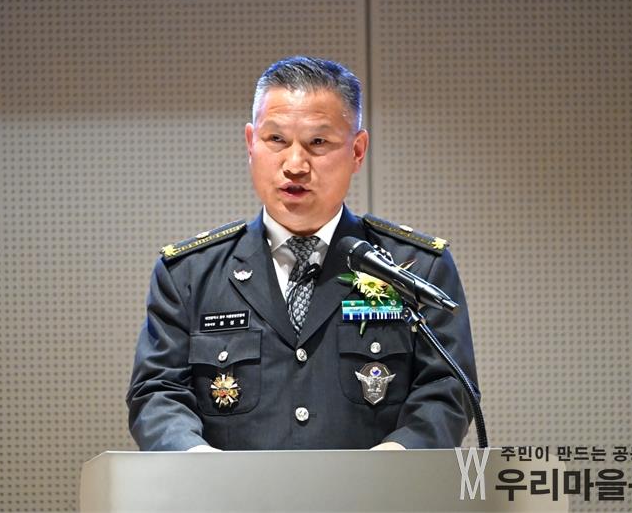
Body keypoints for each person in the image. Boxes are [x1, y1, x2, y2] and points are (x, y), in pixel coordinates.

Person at [126, 56, 478, 451]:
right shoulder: (190, 274)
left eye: (318, 143)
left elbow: (447, 390)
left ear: (357, 151)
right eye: (276, 140)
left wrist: (390, 462)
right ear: (250, 144)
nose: (295, 165)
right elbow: (157, 393)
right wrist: (198, 462)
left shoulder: (416, 268)